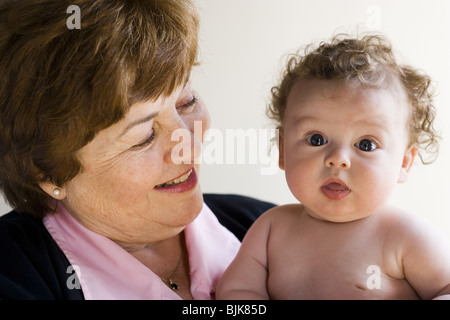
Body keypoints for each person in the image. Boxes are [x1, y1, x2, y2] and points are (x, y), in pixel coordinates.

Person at [0, 0, 275, 300]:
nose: (191, 149)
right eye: (144, 137)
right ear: (48, 171)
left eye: (188, 102)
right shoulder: (13, 278)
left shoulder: (268, 228)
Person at [216, 33, 450, 300]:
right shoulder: (271, 229)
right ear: (282, 150)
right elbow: (237, 292)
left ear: (404, 163)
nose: (337, 159)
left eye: (366, 144)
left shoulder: (406, 236)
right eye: (316, 139)